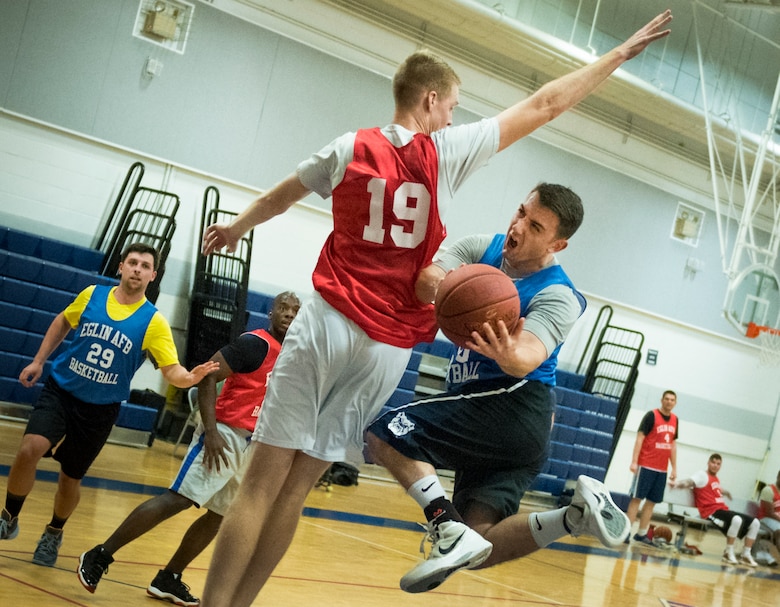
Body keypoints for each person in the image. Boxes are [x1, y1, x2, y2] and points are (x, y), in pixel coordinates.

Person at [198, 11, 672, 606]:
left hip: (330, 319)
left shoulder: (351, 146)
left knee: (259, 488)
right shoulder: (447, 153)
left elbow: (282, 195)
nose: (454, 117)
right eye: (452, 107)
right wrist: (618, 55)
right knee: (294, 493)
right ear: (430, 99)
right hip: (387, 346)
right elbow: (547, 104)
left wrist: (239, 226)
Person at [366, 183, 629, 593]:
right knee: (481, 542)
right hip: (508, 428)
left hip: (512, 405)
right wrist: (450, 294)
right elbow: (427, 279)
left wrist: (505, 349)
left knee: (385, 433)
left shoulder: (559, 294)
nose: (518, 225)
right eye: (521, 212)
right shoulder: (481, 249)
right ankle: (573, 517)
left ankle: (444, 524)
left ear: (557, 243)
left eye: (535, 225)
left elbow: (526, 357)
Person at [0, 242, 218, 567]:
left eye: (145, 266)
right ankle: (8, 517)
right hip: (62, 389)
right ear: (120, 266)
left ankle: (54, 532)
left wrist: (191, 377)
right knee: (31, 447)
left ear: (153, 275)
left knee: (69, 479)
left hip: (99, 409)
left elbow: (172, 370)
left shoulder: (153, 321)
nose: (137, 269)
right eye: (132, 262)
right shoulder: (92, 295)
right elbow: (62, 321)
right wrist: (38, 360)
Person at [75, 291, 300, 605]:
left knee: (220, 515)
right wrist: (210, 432)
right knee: (178, 499)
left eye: (295, 310)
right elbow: (207, 376)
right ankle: (100, 554)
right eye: (283, 308)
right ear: (271, 312)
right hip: (222, 434)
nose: (289, 314)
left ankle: (170, 577)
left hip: (252, 444)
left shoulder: (294, 352)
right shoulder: (255, 344)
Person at [673, 453, 760, 566]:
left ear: (720, 466)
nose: (715, 465)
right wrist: (677, 483)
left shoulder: (715, 479)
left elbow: (714, 489)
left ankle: (746, 555)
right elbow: (689, 482)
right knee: (737, 520)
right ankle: (728, 552)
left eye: (718, 464)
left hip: (722, 509)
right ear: (708, 463)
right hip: (710, 512)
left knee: (755, 523)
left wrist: (725, 492)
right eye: (713, 462)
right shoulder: (702, 475)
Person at [625, 389, 678, 545]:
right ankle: (626, 531)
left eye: (672, 400)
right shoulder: (651, 416)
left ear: (675, 403)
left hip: (661, 469)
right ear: (662, 400)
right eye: (667, 399)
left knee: (652, 502)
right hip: (646, 465)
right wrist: (634, 461)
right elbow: (640, 438)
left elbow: (673, 445)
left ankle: (641, 534)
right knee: (636, 499)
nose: (669, 402)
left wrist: (674, 468)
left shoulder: (675, 420)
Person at [758, 469, 780, 553]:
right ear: (778, 476)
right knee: (779, 531)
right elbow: (769, 513)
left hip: (776, 519)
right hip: (765, 518)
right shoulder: (768, 490)